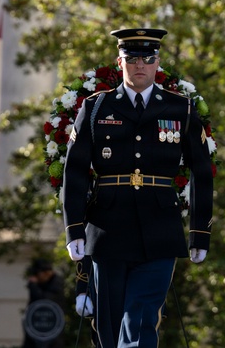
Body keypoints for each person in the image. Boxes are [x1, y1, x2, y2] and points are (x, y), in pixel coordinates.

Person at [62, 28, 214, 348]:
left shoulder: (180, 108)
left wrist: (199, 232)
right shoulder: (96, 108)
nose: (140, 65)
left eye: (148, 58)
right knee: (110, 324)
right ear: (120, 62)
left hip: (159, 229)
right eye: (132, 58)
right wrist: (74, 229)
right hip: (108, 228)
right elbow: (74, 171)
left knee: (142, 318)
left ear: (158, 63)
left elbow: (201, 172)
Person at [22, 258, 66, 348]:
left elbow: (45, 301)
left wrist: (33, 286)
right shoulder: (40, 283)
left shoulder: (56, 283)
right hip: (36, 328)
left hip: (52, 329)